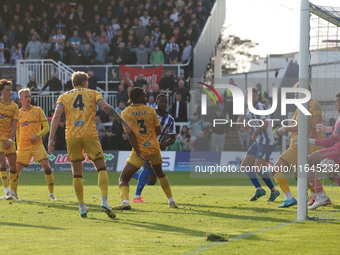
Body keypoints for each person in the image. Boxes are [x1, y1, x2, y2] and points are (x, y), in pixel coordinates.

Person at [48, 71, 140, 218]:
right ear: (85, 83)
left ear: (73, 83)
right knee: (101, 168)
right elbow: (106, 108)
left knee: (77, 174)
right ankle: (104, 202)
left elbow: (57, 116)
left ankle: (82, 207)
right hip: (90, 135)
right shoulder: (93, 93)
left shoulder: (64, 96)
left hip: (72, 136)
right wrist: (122, 122)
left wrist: (50, 138)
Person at [113, 88, 178, 210]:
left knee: (123, 178)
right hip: (154, 148)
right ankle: (171, 201)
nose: (146, 97)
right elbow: (158, 131)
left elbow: (130, 134)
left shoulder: (125, 113)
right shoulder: (150, 110)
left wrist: (138, 152)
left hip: (140, 150)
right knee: (159, 174)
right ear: (138, 98)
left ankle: (126, 202)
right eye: (144, 95)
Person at [272, 82, 328, 208]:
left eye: (297, 93)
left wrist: (284, 128)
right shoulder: (308, 105)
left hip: (301, 146)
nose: (295, 96)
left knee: (276, 169)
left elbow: (305, 126)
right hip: (302, 144)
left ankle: (290, 198)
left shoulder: (309, 105)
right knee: (300, 174)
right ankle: (318, 195)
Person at [295, 93, 340, 210]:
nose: (336, 105)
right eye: (336, 102)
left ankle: (320, 196)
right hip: (336, 150)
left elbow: (331, 141)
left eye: (338, 102)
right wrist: (323, 128)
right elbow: (334, 131)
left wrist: (309, 141)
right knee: (328, 169)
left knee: (306, 162)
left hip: (337, 150)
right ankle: (320, 195)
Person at [131, 94, 176, 203]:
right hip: (144, 144)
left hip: (156, 147)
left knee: (151, 180)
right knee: (147, 167)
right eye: (161, 102)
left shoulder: (170, 119)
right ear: (156, 102)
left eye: (165, 102)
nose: (164, 104)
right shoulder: (149, 112)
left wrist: (163, 144)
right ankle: (137, 197)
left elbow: (173, 138)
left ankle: (130, 173)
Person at [15, 88, 57, 201]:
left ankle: (51, 194)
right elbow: (17, 132)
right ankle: (14, 194)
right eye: (26, 97)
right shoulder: (18, 114)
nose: (28, 99)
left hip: (37, 145)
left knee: (47, 167)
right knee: (15, 171)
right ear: (20, 99)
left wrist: (36, 136)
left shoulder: (38, 110)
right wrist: (18, 147)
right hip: (23, 146)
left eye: (29, 96)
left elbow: (47, 128)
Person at [239, 88, 280, 202]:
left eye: (254, 96)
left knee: (258, 167)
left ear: (257, 96)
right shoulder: (249, 111)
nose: (252, 98)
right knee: (245, 165)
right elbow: (250, 131)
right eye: (249, 96)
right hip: (258, 141)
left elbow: (265, 124)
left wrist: (256, 132)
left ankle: (274, 191)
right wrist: (242, 125)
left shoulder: (260, 107)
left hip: (266, 142)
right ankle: (259, 189)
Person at [0, 79, 19, 201]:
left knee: (13, 167)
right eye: (7, 90)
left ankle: (13, 192)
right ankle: (6, 191)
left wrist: (10, 140)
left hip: (9, 139)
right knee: (2, 163)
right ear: (1, 91)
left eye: (11, 90)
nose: (9, 92)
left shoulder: (15, 106)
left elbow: (14, 125)